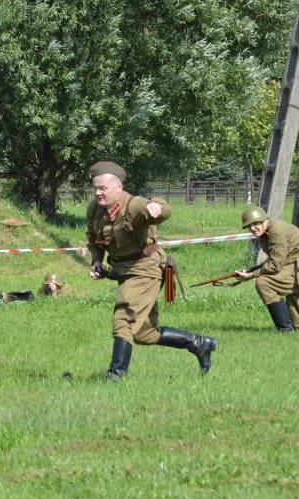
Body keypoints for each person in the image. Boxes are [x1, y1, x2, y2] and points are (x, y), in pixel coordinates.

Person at [85, 161, 216, 380]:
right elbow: (93, 239)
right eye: (95, 188)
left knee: (124, 318)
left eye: (103, 189)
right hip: (124, 271)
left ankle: (115, 377)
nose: (98, 193)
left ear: (118, 187)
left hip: (146, 269)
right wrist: (97, 262)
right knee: (145, 333)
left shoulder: (133, 205)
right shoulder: (95, 209)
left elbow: (163, 210)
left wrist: (155, 206)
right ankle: (199, 343)